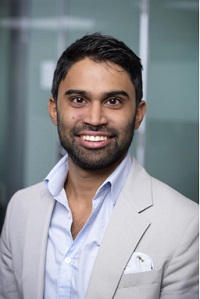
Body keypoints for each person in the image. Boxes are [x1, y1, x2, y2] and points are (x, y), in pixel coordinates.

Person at [0, 33, 198, 299]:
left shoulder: (185, 223)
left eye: (113, 101)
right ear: (54, 110)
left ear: (138, 113)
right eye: (78, 100)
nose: (95, 119)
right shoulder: (20, 208)